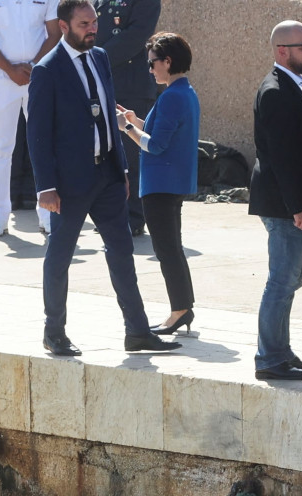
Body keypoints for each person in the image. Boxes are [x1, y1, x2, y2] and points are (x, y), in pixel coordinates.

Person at [27, 0, 178, 357]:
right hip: (68, 184)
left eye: (94, 22)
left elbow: (108, 116)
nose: (92, 29)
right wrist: (44, 186)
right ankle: (54, 332)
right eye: (83, 24)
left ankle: (137, 332)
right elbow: (37, 133)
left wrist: (122, 169)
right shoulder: (47, 71)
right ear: (64, 26)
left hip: (107, 177)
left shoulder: (100, 58)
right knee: (60, 255)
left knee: (123, 251)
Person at [247, 20, 302, 381]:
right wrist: (298, 206)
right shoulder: (276, 91)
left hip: (292, 202)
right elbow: (281, 157)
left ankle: (280, 350)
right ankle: (269, 358)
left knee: (291, 280)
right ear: (282, 51)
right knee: (281, 281)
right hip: (285, 206)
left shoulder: (293, 85)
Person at [117, 32, 200, 334]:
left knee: (167, 250)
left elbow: (155, 145)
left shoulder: (173, 96)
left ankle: (179, 310)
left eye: (153, 63)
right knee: (171, 248)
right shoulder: (182, 92)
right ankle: (183, 307)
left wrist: (126, 128)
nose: (150, 69)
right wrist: (134, 121)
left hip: (161, 185)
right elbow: (158, 132)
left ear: (167, 61)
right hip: (169, 183)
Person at [0, 0, 58, 238]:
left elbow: (54, 33)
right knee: (0, 147)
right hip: (1, 77)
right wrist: (10, 70)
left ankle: (49, 215)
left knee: (45, 144)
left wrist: (33, 66)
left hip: (39, 74)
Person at [93, 0, 160, 236]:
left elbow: (137, 34)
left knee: (130, 157)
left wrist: (95, 57)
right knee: (105, 155)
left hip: (131, 85)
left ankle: (133, 217)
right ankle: (111, 214)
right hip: (102, 82)